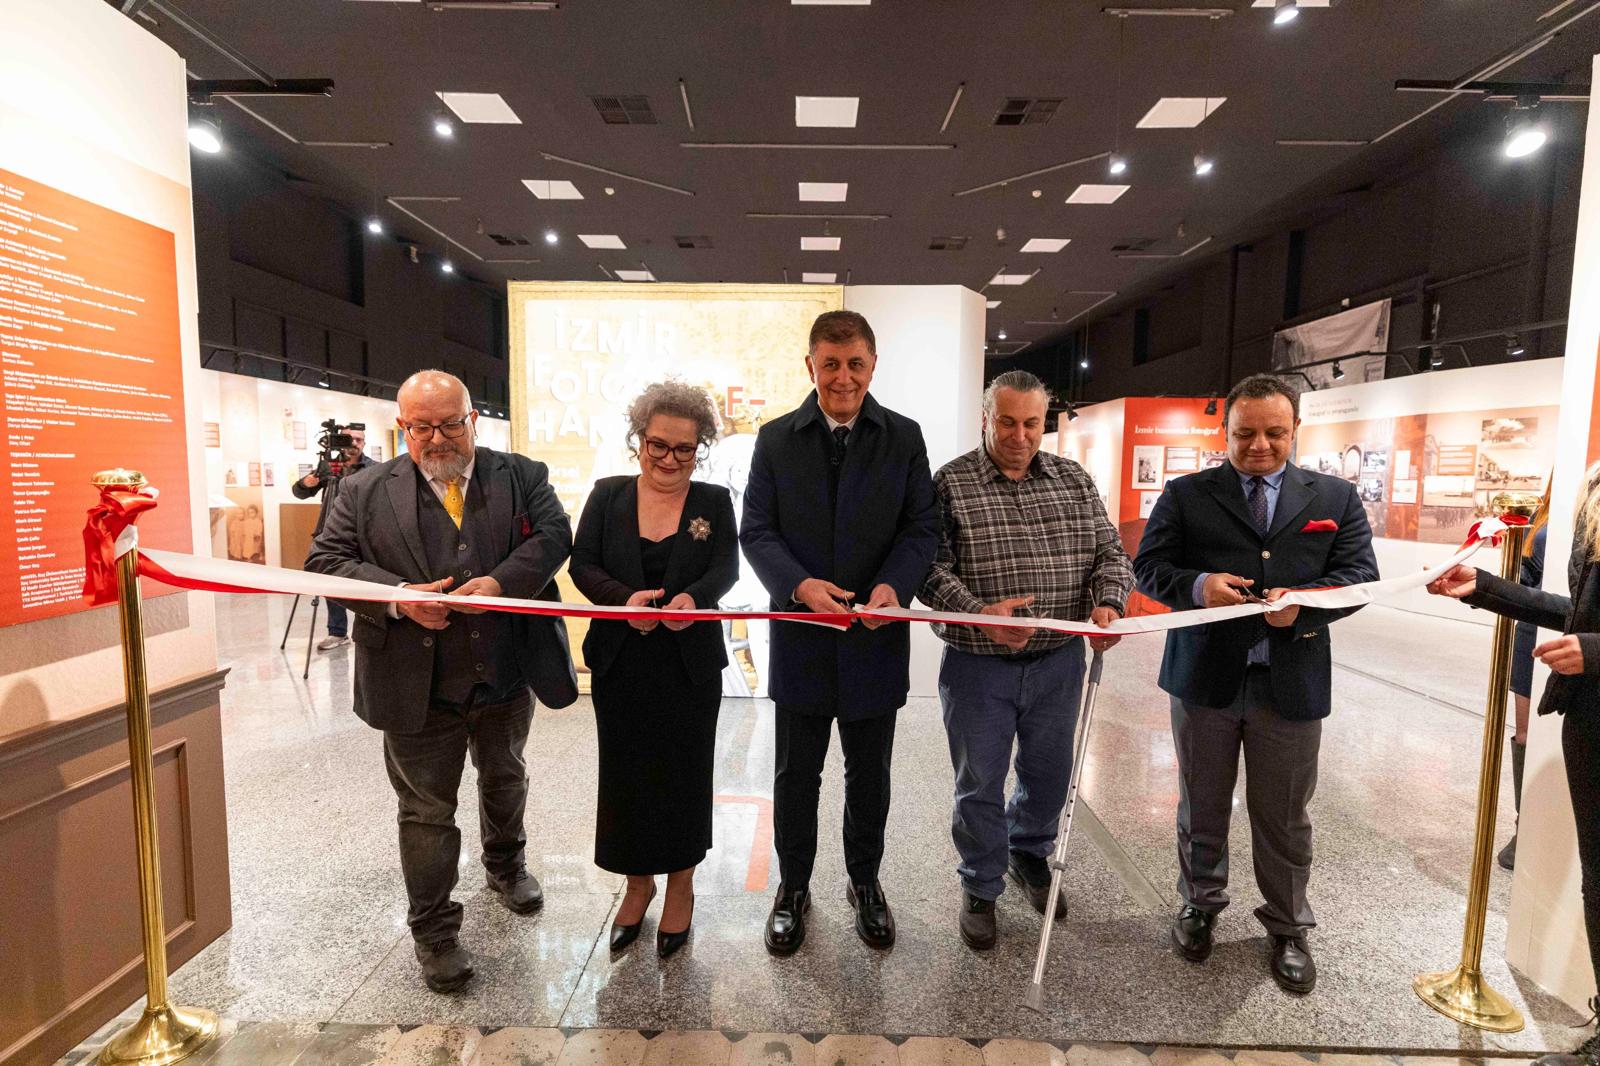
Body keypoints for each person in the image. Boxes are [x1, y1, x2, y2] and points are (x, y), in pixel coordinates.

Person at [305, 370, 576, 994]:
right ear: (403, 428)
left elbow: (556, 536)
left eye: (450, 423)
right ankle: (434, 931)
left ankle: (506, 867)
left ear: (472, 417)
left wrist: (502, 584)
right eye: (422, 427)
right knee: (426, 810)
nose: (437, 438)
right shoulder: (365, 489)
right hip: (413, 684)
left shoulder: (521, 475)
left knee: (505, 773)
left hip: (505, 671)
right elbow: (326, 562)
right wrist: (399, 598)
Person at [1133, 373, 1378, 995]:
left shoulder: (1334, 497)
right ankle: (1199, 901)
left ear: (1296, 430)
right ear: (1226, 432)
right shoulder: (1188, 493)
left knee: (1285, 814)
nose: (1260, 446)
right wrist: (1197, 587)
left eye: (1274, 433)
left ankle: (1288, 925)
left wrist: (1306, 603)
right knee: (1201, 801)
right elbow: (1149, 566)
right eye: (1245, 434)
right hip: (1205, 678)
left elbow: (1358, 577)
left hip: (1290, 682)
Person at [740, 309, 938, 955]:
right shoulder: (775, 440)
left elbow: (919, 529)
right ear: (811, 366)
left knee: (869, 775)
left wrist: (894, 587)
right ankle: (792, 887)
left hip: (874, 637)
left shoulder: (903, 438)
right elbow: (758, 531)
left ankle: (865, 883)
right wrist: (800, 588)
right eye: (831, 363)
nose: (843, 377)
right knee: (796, 776)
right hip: (801, 635)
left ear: (873, 366)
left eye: (855, 364)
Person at [918, 370, 1133, 950]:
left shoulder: (1072, 479)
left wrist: (1109, 599)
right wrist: (981, 613)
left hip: (1058, 664)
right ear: (985, 419)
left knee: (1049, 774)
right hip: (977, 666)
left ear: (1046, 423)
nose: (1019, 435)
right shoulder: (949, 484)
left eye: (1031, 423)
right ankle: (981, 884)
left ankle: (1028, 854)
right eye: (1006, 422)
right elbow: (927, 570)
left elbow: (1110, 552)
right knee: (979, 781)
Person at [1427, 463, 1600, 1066]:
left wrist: (1597, 652)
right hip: (1591, 725)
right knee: (1598, 883)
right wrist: (1485, 588)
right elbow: (1576, 612)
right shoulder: (1594, 491)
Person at [569, 381, 738, 959]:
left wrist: (695, 600)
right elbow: (582, 563)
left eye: (683, 450)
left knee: (685, 774)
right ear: (638, 440)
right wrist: (622, 603)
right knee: (625, 775)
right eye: (657, 445)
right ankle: (636, 884)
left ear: (701, 450)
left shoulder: (713, 502)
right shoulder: (607, 494)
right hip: (622, 659)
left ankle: (681, 885)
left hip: (688, 664)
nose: (669, 459)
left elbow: (726, 569)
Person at [1502, 488, 1551, 870]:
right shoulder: (1542, 513)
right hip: (1534, 630)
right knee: (1525, 734)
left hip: (1572, 629)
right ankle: (1526, 825)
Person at [293, 423, 372, 651]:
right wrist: (305, 483)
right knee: (331, 578)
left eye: (359, 440)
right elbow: (299, 492)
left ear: (364, 443)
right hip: (332, 533)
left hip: (364, 533)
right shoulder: (328, 468)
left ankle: (369, 627)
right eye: (349, 440)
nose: (354, 444)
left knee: (366, 582)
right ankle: (337, 632)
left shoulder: (374, 468)